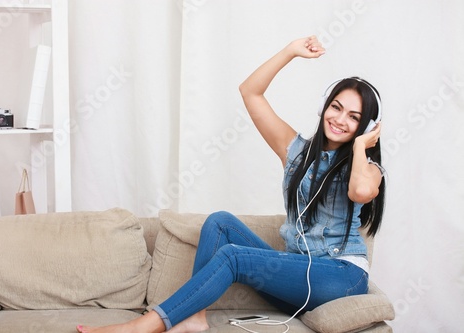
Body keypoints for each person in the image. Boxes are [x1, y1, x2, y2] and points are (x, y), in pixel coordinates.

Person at [76, 35, 385, 333]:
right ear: (324, 107)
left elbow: (359, 191)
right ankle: (195, 316)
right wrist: (290, 51)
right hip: (298, 276)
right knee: (220, 223)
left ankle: (143, 326)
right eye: (336, 107)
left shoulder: (369, 168)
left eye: (354, 117)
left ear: (367, 126)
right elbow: (250, 91)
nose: (340, 119)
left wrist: (360, 148)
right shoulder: (295, 151)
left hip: (341, 277)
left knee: (233, 256)